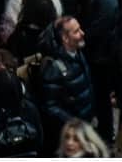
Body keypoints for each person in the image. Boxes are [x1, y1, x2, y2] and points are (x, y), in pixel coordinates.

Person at [30, 17, 95, 151]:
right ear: (65, 38)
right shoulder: (54, 67)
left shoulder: (78, 53)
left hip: (84, 126)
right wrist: (72, 123)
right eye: (76, 31)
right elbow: (50, 106)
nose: (82, 33)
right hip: (70, 134)